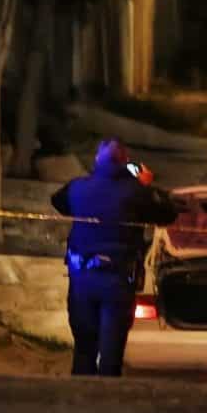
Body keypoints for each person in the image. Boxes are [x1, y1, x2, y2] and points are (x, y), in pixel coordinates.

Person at [51, 138, 177, 376]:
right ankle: (108, 406)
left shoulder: (77, 187)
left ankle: (76, 404)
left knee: (84, 350)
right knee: (110, 355)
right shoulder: (136, 192)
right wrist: (146, 186)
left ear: (97, 160)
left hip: (81, 280)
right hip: (117, 281)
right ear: (125, 162)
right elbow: (167, 215)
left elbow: (57, 201)